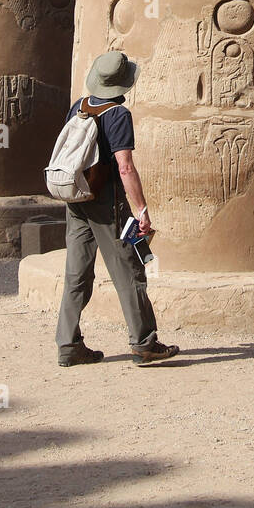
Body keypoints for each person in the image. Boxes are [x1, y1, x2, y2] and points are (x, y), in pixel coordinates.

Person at [55, 50, 179, 367]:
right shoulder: (118, 115)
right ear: (122, 85)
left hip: (76, 198)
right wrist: (141, 210)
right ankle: (144, 343)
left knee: (76, 273)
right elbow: (124, 167)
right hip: (106, 203)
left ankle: (68, 343)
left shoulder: (79, 107)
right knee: (129, 271)